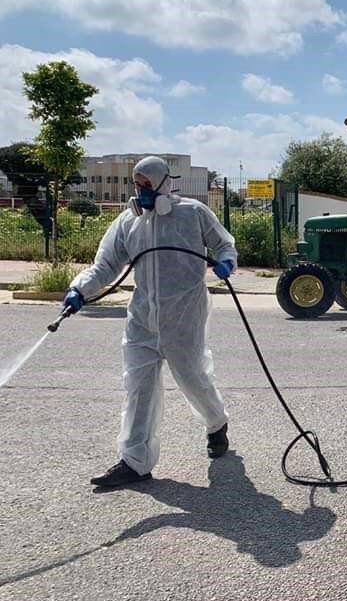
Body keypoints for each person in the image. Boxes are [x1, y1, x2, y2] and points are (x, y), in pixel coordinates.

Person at [62, 156, 238, 489]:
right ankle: (135, 462)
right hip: (143, 316)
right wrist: (79, 289)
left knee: (192, 376)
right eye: (136, 183)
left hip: (184, 312)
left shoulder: (193, 214)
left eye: (146, 183)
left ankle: (216, 423)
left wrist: (226, 262)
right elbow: (105, 266)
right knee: (138, 386)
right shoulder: (128, 223)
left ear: (162, 183)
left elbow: (223, 243)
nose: (140, 189)